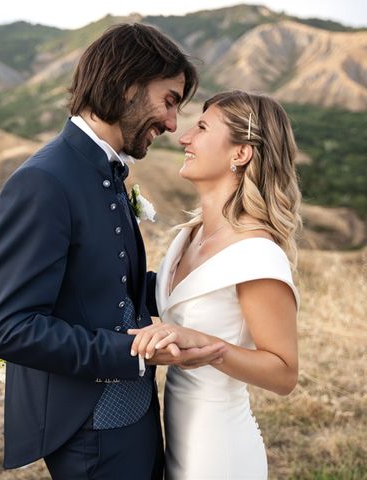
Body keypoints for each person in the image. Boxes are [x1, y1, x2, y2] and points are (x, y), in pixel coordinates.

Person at [0, 23, 225, 479]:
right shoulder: (44, 182)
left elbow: (109, 283)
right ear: (127, 85)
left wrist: (210, 291)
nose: (173, 123)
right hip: (89, 429)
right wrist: (136, 352)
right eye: (169, 100)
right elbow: (9, 329)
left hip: (135, 413)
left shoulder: (105, 171)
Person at [129, 90, 302, 479]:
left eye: (202, 128)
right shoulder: (188, 237)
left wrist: (210, 350)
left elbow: (284, 374)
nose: (184, 137)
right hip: (175, 436)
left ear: (240, 153)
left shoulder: (257, 255)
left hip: (219, 451)